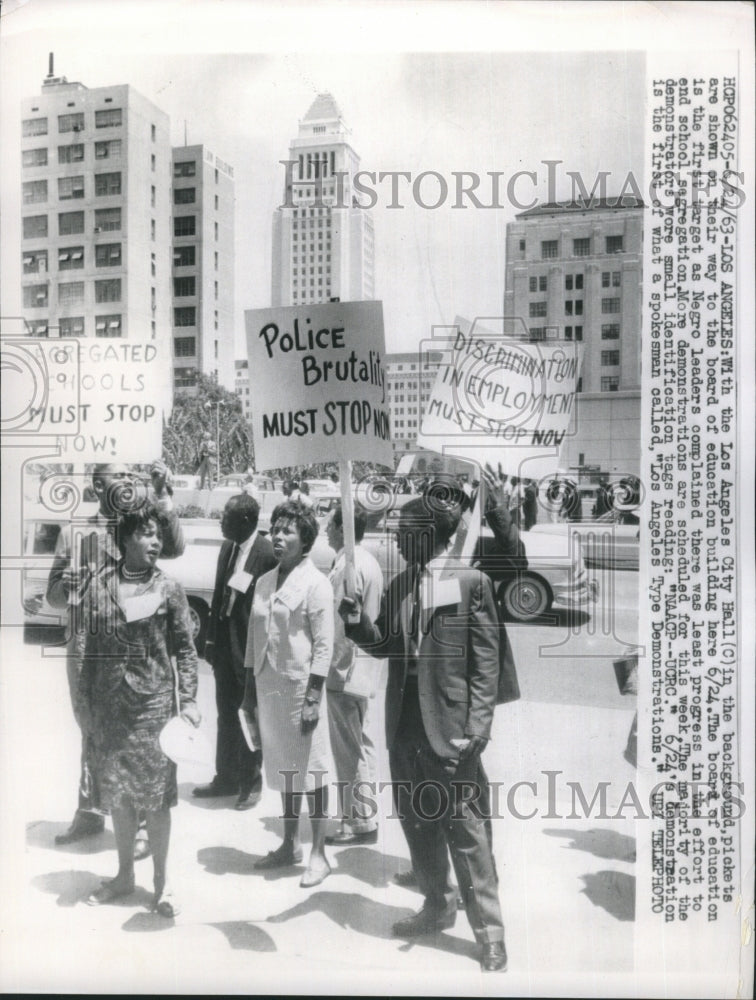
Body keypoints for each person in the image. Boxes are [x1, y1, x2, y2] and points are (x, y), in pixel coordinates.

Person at [340, 496, 509, 973]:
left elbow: (486, 662)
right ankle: (437, 904)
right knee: (417, 824)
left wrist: (478, 727)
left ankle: (490, 934)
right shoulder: (401, 584)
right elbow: (387, 644)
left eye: (403, 531)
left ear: (430, 534)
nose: (395, 539)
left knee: (466, 833)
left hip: (452, 730)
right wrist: (358, 624)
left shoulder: (470, 582)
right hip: (405, 724)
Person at [47, 461, 184, 853]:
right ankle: (89, 811)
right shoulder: (75, 533)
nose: (126, 482)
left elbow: (173, 546)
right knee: (90, 724)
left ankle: (142, 824)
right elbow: (53, 596)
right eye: (117, 476)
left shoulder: (140, 524)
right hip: (88, 648)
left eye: (129, 476)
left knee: (138, 734)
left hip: (134, 652)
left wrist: (162, 496)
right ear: (97, 484)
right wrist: (67, 588)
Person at [77, 504, 200, 915]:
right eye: (147, 534)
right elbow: (89, 652)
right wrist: (85, 707)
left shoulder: (169, 588)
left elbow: (185, 650)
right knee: (118, 794)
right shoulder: (99, 586)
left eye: (158, 535)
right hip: (111, 706)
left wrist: (191, 701)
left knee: (156, 798)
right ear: (126, 537)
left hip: (153, 707)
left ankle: (162, 885)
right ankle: (125, 874)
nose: (156, 541)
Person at [242, 500, 335, 887]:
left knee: (312, 771)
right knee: (283, 768)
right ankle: (288, 844)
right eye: (275, 529)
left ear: (305, 539)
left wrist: (314, 697)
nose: (278, 537)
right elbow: (253, 637)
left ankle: (318, 853)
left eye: (288, 531)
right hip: (269, 688)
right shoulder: (264, 581)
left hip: (301, 689)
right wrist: (249, 692)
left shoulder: (316, 583)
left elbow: (324, 646)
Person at [193, 495, 276, 808]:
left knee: (249, 717)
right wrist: (211, 642)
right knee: (225, 715)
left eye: (225, 516)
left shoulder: (267, 554)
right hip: (225, 650)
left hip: (250, 651)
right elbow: (218, 596)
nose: (220, 520)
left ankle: (250, 782)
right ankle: (225, 778)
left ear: (245, 522)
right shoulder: (228, 548)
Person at [324, 503, 384, 846]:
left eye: (330, 523)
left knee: (349, 748)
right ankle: (365, 814)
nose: (326, 530)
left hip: (347, 667)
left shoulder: (348, 567)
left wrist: (329, 669)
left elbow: (337, 627)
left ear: (340, 527)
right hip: (365, 664)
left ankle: (358, 822)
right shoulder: (367, 560)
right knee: (361, 744)